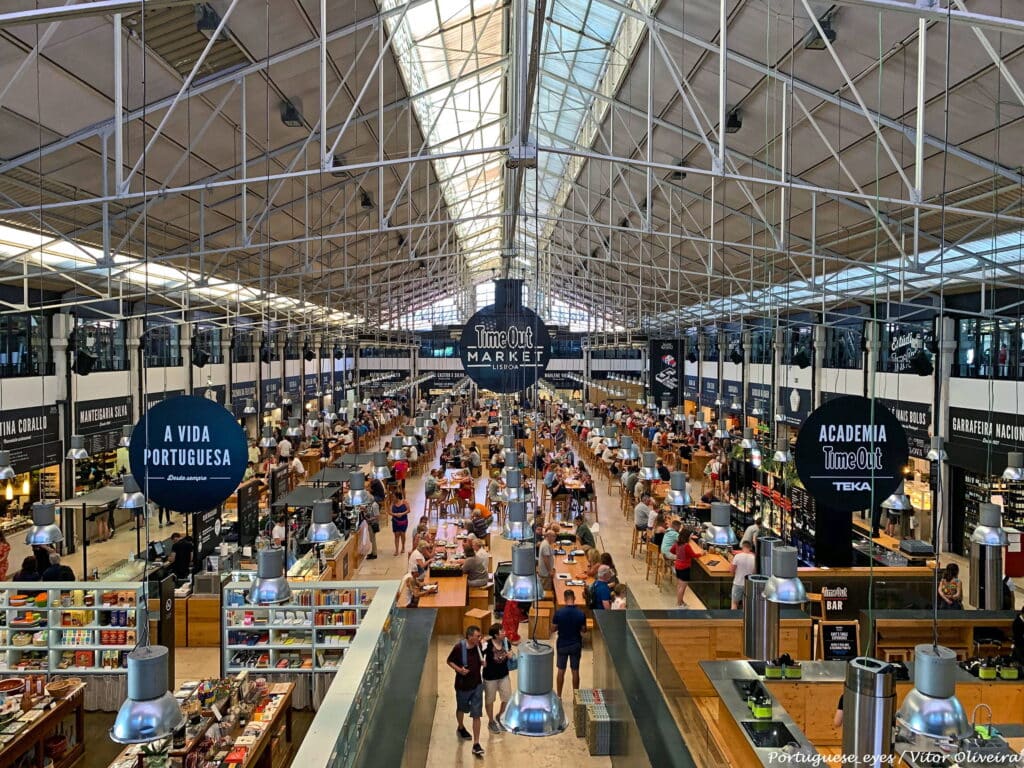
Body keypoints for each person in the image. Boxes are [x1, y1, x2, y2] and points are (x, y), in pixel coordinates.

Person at [446, 626, 486, 758]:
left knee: (477, 714)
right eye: (477, 636)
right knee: (461, 709)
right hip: (463, 686)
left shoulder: (478, 646)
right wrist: (459, 670)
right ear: (469, 637)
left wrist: (483, 663)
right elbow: (449, 661)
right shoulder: (459, 648)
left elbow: (481, 659)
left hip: (477, 684)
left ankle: (476, 743)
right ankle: (461, 726)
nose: (479, 638)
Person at [552, 590, 587, 697]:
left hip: (562, 644)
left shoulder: (559, 613)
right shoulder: (580, 613)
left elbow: (553, 629)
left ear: (564, 598)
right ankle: (576, 697)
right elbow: (584, 630)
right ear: (574, 598)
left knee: (561, 670)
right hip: (576, 644)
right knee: (575, 670)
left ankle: (559, 696)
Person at [482, 623, 513, 733]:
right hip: (490, 677)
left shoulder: (506, 642)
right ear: (495, 635)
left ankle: (500, 716)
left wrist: (510, 655)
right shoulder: (487, 644)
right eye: (502, 632)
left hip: (503, 675)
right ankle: (491, 721)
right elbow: (481, 656)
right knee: (490, 700)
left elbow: (510, 652)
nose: (504, 633)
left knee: (507, 697)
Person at [671, 531, 705, 606]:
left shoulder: (677, 544)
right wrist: (701, 553)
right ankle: (679, 603)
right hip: (684, 568)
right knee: (683, 587)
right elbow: (693, 555)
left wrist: (678, 555)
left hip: (677, 566)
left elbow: (672, 550)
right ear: (687, 537)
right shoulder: (686, 546)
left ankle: (681, 601)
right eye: (690, 536)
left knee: (680, 585)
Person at [730, 541, 757, 609]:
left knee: (734, 603)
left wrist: (734, 574)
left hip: (738, 583)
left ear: (742, 547)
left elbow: (731, 570)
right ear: (750, 548)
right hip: (748, 584)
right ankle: (746, 618)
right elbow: (754, 572)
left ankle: (734, 618)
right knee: (746, 605)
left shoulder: (737, 556)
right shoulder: (754, 558)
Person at [537, 528, 556, 593]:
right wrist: (550, 571)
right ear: (549, 536)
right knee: (546, 591)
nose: (555, 538)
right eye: (553, 536)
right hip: (545, 574)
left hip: (546, 573)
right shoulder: (545, 545)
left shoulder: (546, 543)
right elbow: (546, 559)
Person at [391, 492, 410, 556]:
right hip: (395, 521)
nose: (393, 498)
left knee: (402, 534)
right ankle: (396, 550)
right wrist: (395, 514)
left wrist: (401, 514)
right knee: (396, 535)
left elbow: (408, 510)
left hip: (403, 521)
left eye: (394, 496)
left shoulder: (404, 502)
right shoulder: (393, 503)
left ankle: (403, 547)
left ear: (397, 497)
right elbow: (389, 511)